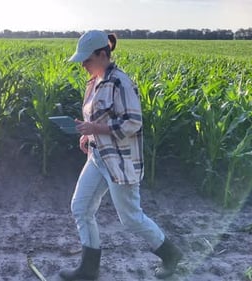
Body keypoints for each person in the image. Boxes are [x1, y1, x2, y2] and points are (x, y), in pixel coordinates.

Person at [59, 30, 183, 280]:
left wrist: (95, 129)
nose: (83, 64)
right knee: (81, 207)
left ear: (102, 54)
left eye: (87, 59)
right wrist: (88, 134)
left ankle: (171, 254)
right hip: (97, 157)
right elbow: (97, 118)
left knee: (130, 218)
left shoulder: (120, 82)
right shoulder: (94, 82)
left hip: (120, 161)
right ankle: (88, 270)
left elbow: (133, 123)